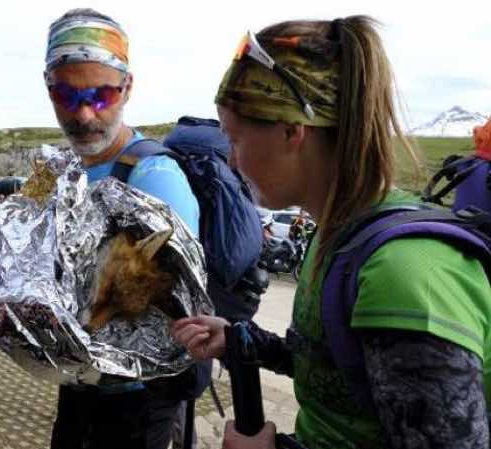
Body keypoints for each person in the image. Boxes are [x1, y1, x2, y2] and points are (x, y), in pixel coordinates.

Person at [172, 16, 490, 449]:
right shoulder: (339, 234)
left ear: (291, 131)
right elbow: (335, 364)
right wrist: (241, 339)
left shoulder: (403, 273)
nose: (231, 162)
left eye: (236, 139)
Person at [44, 8, 200, 449]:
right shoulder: (71, 167)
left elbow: (174, 311)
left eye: (101, 95)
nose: (85, 115)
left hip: (136, 400)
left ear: (128, 86)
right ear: (47, 86)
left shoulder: (153, 176)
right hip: (80, 383)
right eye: (66, 96)